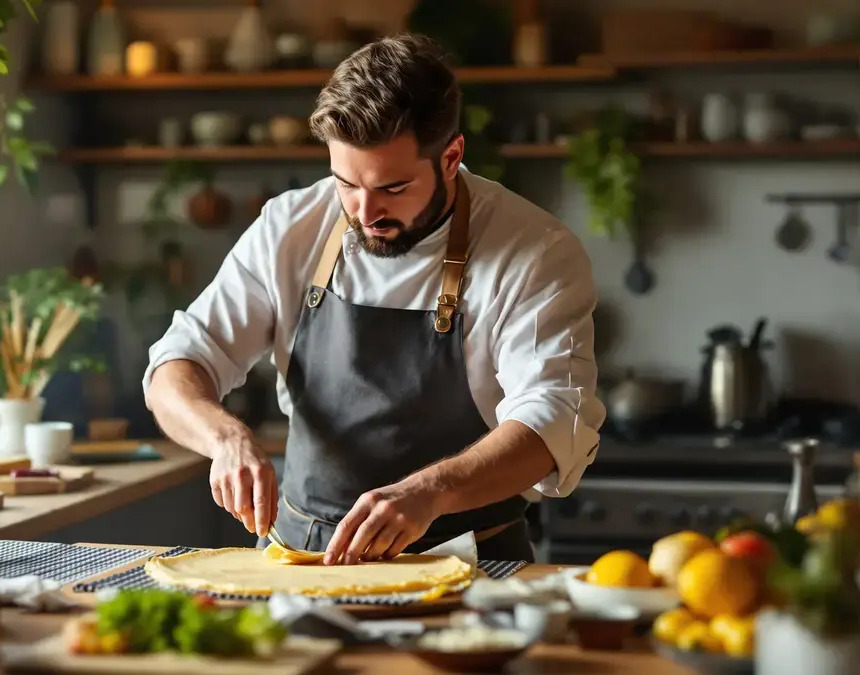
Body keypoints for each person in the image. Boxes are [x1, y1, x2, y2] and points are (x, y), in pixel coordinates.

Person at [142, 33, 605, 565]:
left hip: (468, 565)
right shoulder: (291, 227)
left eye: (392, 188)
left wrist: (431, 491)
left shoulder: (534, 251)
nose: (364, 213)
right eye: (346, 184)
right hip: (301, 558)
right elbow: (180, 362)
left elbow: (553, 419)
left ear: (451, 157)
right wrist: (224, 437)